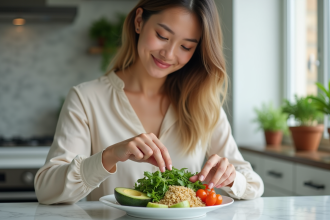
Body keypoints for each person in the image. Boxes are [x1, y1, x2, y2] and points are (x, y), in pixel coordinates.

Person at [34, 0, 264, 204]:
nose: (169, 54)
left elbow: (254, 184)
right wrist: (110, 156)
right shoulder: (86, 99)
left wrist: (231, 177)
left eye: (186, 46)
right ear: (139, 22)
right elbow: (46, 191)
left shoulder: (203, 104)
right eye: (162, 36)